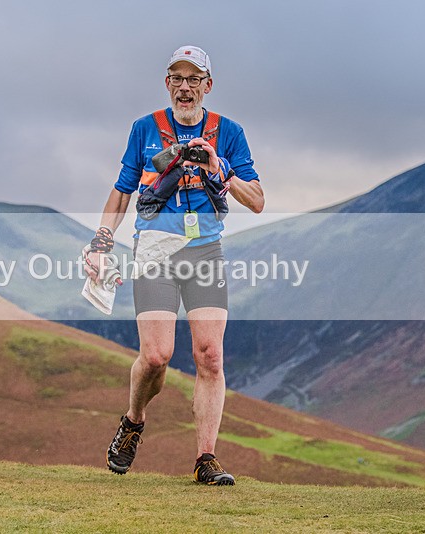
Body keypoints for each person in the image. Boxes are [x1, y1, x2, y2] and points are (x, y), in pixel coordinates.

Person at [86, 45, 264, 485]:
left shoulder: (229, 132)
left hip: (205, 251)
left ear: (208, 85)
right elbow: (122, 190)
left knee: (211, 356)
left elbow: (257, 200)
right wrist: (101, 242)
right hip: (154, 251)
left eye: (194, 79)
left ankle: (206, 458)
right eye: (177, 78)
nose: (185, 87)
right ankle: (134, 420)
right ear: (167, 83)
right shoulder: (145, 128)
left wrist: (220, 169)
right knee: (156, 356)